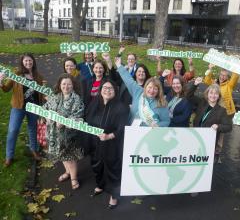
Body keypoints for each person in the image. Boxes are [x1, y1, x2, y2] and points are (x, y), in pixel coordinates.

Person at [85, 79, 129, 209]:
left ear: (115, 91)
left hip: (112, 144)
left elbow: (122, 128)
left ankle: (114, 196)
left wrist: (109, 136)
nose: (107, 90)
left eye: (110, 88)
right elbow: (87, 120)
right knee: (97, 165)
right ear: (100, 89)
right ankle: (100, 184)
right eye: (105, 88)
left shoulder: (121, 107)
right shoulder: (94, 104)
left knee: (113, 169)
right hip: (95, 143)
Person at [0, 53, 43, 167]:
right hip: (18, 106)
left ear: (33, 62)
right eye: (26, 61)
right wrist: (1, 82)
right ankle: (9, 156)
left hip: (33, 107)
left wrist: (42, 106)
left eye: (30, 61)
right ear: (22, 62)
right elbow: (6, 89)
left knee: (32, 129)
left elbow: (40, 93)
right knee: (13, 130)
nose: (28, 63)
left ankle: (34, 150)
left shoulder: (38, 76)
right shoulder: (16, 74)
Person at [43, 74, 84, 190]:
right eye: (64, 84)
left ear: (73, 85)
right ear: (60, 85)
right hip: (55, 134)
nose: (66, 86)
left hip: (69, 135)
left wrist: (65, 122)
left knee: (70, 157)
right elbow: (45, 108)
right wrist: (47, 117)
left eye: (69, 84)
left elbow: (79, 116)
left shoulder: (77, 99)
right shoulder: (55, 97)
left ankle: (74, 178)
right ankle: (67, 172)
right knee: (61, 155)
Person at [115, 57, 170, 127]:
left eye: (155, 88)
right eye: (150, 87)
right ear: (145, 87)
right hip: (131, 131)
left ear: (159, 91)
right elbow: (128, 79)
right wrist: (119, 66)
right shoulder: (138, 92)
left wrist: (158, 125)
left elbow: (166, 121)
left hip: (149, 134)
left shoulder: (162, 103)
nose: (152, 91)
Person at [203, 63, 239, 161]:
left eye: (225, 75)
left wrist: (236, 63)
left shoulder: (229, 85)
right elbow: (206, 80)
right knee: (211, 127)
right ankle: (207, 148)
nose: (222, 77)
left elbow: (235, 77)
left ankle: (217, 152)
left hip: (224, 111)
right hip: (214, 109)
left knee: (220, 131)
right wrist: (209, 69)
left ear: (228, 77)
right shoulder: (214, 83)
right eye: (221, 74)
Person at [186, 79, 232, 147]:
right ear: (207, 94)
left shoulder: (222, 111)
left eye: (216, 93)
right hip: (196, 136)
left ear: (219, 96)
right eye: (211, 93)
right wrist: (195, 85)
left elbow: (229, 127)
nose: (213, 96)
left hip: (209, 142)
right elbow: (189, 96)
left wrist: (218, 126)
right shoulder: (201, 103)